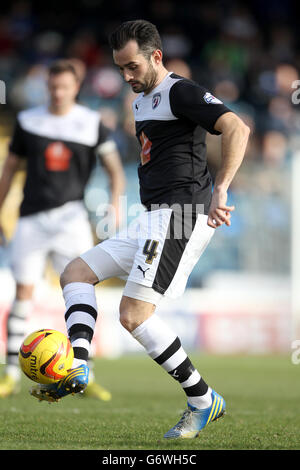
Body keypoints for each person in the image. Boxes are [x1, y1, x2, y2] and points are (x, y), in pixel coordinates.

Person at [30, 21, 249, 440]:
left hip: (182, 215)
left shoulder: (181, 91)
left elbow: (237, 127)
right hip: (150, 217)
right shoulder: (141, 101)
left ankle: (203, 400)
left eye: (132, 67)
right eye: (120, 69)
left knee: (132, 315)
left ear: (156, 57)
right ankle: (78, 364)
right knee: (75, 273)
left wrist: (221, 187)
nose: (126, 77)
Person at [0, 59, 125, 400]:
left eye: (64, 87)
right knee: (23, 292)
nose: (57, 93)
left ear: (76, 88)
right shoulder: (28, 121)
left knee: (80, 292)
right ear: (47, 87)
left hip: (71, 219)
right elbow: (10, 168)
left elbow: (115, 169)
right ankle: (10, 373)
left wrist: (115, 205)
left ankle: (85, 372)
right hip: (31, 218)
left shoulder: (90, 123)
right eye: (52, 87)